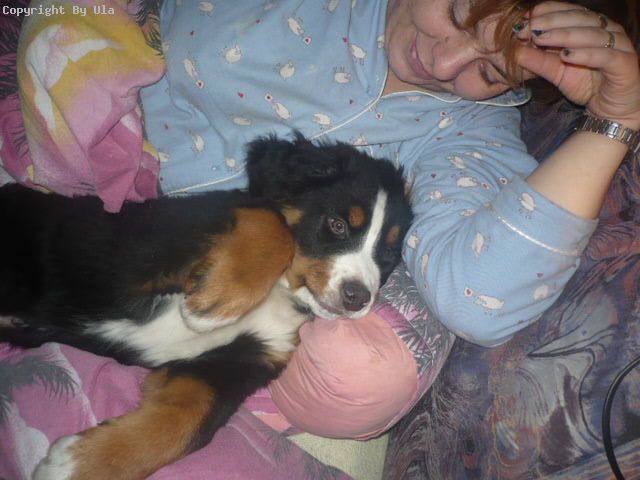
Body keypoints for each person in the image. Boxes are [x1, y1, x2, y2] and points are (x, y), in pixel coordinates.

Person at [7, 0, 640, 441]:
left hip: (176, 297)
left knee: (360, 376)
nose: (446, 64)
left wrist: (615, 121)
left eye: (491, 70)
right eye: (457, 13)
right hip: (60, 172)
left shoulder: (472, 135)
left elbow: (480, 301)